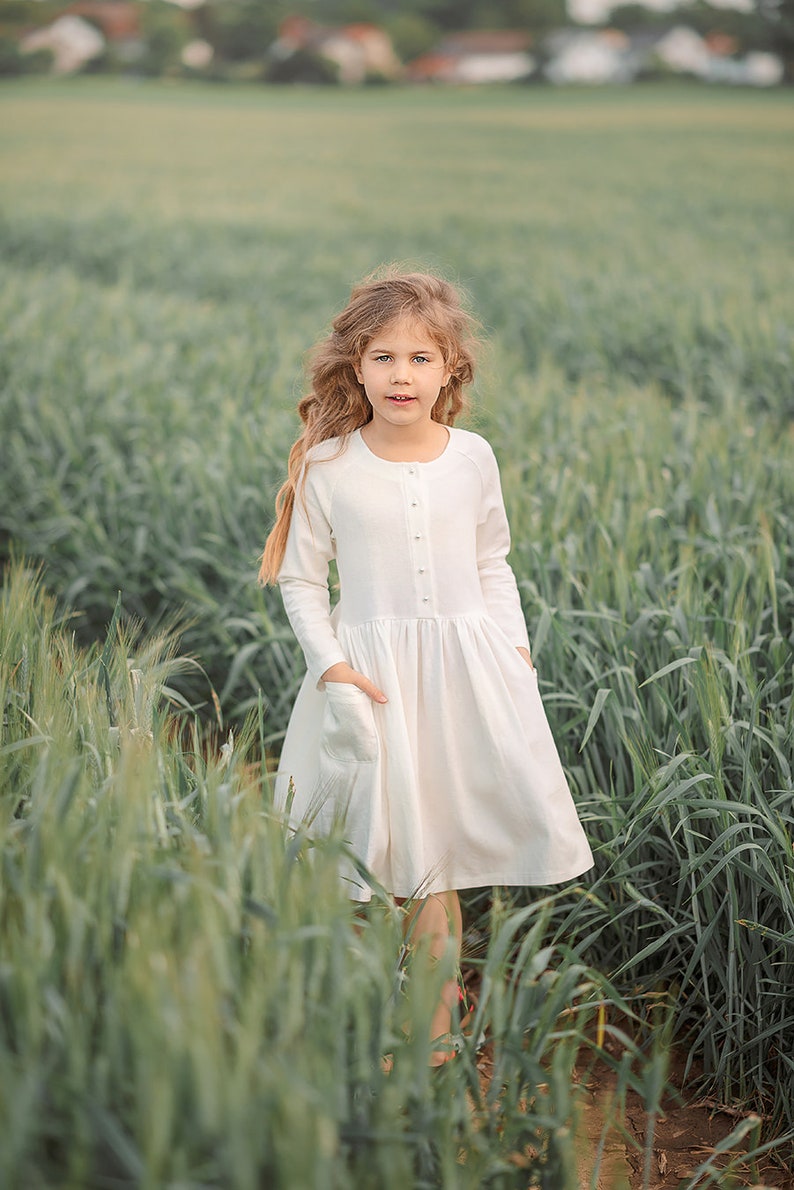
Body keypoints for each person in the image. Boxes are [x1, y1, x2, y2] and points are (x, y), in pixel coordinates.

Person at [259, 268, 593, 1066]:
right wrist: (333, 669)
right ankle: (362, 1001)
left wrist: (512, 651)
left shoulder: (473, 458)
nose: (401, 375)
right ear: (355, 367)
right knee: (377, 855)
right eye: (382, 358)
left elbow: (494, 562)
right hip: (369, 681)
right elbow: (304, 580)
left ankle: (435, 1038)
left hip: (463, 674)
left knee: (435, 855)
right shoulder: (330, 464)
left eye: (419, 358)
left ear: (451, 370)